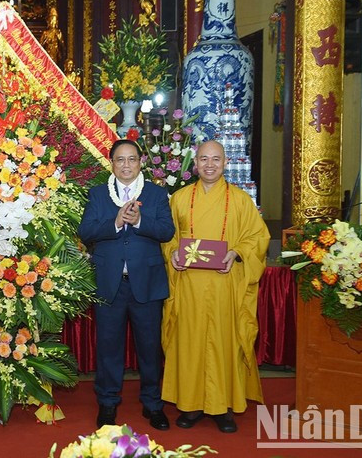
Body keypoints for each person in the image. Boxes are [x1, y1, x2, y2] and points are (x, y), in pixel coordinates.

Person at [161, 140, 270, 433]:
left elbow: (257, 238)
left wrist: (236, 253)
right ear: (195, 163)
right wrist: (171, 254)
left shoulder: (240, 200)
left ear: (225, 163)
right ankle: (192, 405)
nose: (210, 165)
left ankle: (223, 407)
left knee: (224, 343)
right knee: (190, 343)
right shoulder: (180, 198)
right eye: (204, 159)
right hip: (189, 287)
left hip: (225, 285)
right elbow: (168, 237)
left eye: (216, 159)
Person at [78, 139, 175, 430]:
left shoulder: (157, 195)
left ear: (140, 162)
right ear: (111, 163)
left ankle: (153, 404)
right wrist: (116, 221)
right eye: (120, 160)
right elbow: (85, 231)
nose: (126, 165)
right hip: (110, 285)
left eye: (131, 159)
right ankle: (107, 404)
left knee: (149, 348)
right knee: (109, 348)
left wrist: (142, 220)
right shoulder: (97, 194)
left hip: (146, 283)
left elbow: (167, 231)